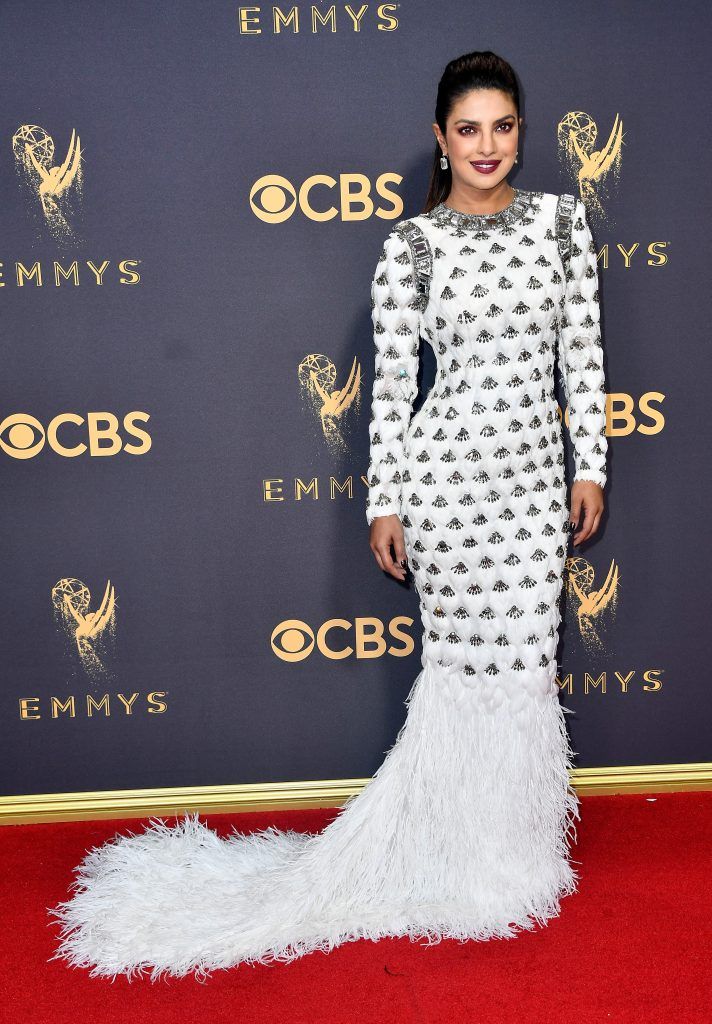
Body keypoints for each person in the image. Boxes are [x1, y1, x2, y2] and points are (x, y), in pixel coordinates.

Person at [48, 50, 607, 982]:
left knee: (524, 669)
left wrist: (589, 464)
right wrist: (384, 499)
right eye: (466, 129)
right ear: (439, 138)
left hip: (535, 491)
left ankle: (515, 853)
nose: (485, 146)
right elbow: (389, 389)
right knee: (465, 673)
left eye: (501, 126)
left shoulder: (561, 226)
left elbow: (582, 354)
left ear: (521, 130)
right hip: (448, 492)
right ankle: (457, 854)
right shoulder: (412, 246)